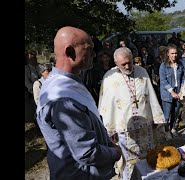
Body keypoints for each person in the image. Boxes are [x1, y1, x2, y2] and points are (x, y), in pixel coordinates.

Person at [36, 26, 122, 180]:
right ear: (70, 52)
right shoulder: (62, 97)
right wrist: (115, 153)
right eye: (89, 49)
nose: (94, 55)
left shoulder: (66, 83)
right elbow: (87, 152)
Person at [98, 47, 165, 180]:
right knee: (129, 165)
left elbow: (151, 95)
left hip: (145, 127)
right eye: (123, 64)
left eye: (130, 62)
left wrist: (157, 118)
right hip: (124, 130)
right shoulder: (109, 78)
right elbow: (106, 106)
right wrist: (110, 129)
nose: (128, 66)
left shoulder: (142, 72)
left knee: (148, 159)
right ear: (116, 63)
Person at [159, 44, 185, 138]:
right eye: (172, 53)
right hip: (167, 93)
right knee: (167, 114)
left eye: (175, 53)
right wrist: (172, 92)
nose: (174, 55)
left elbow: (183, 77)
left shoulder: (180, 65)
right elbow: (163, 81)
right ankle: (166, 131)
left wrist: (182, 90)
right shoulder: (163, 66)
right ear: (168, 54)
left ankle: (173, 128)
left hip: (178, 91)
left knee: (175, 112)